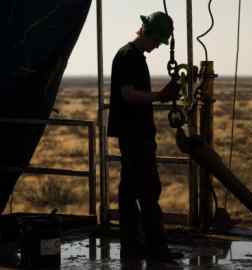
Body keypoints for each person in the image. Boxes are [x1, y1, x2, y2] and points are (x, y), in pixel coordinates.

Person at [107, 11, 181, 262]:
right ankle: (156, 250)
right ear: (148, 33)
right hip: (136, 135)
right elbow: (128, 94)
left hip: (132, 134)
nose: (158, 46)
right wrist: (160, 96)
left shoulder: (132, 56)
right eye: (158, 41)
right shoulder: (130, 57)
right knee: (149, 191)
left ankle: (132, 248)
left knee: (129, 193)